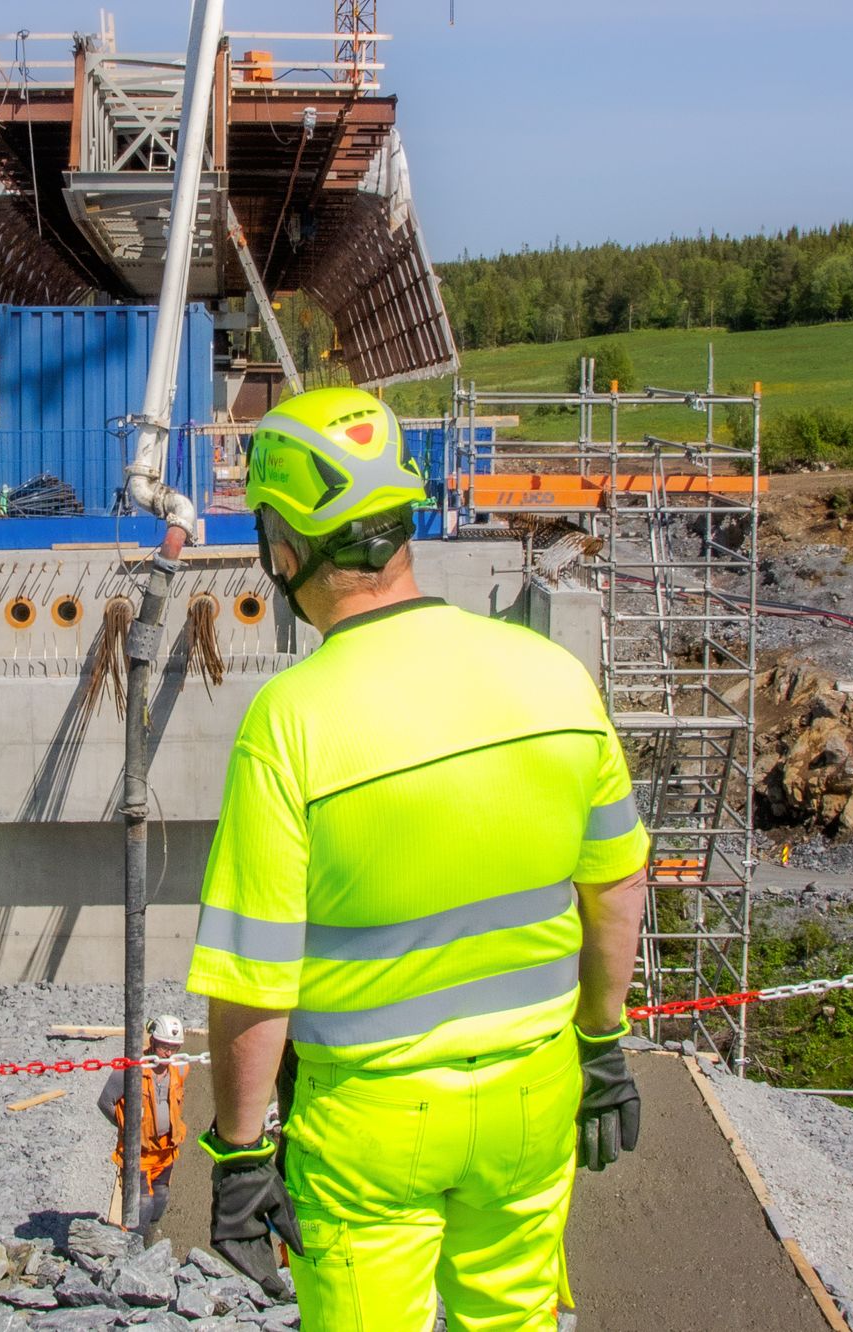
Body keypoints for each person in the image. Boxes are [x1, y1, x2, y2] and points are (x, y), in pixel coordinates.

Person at [186, 387, 651, 1330]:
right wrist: (602, 1048)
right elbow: (616, 888)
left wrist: (240, 1155)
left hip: (370, 1121)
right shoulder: (552, 676)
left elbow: (252, 982)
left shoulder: (292, 725)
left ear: (284, 546)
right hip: (533, 1095)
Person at [97, 1014, 191, 1237]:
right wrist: (126, 1130)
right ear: (153, 1042)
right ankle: (129, 1245)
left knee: (160, 1198)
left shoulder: (179, 1069)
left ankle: (147, 1241)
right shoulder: (129, 1071)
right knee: (143, 1203)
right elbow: (104, 1102)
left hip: (165, 1151)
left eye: (174, 1048)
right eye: (164, 1047)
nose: (169, 1053)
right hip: (137, 1152)